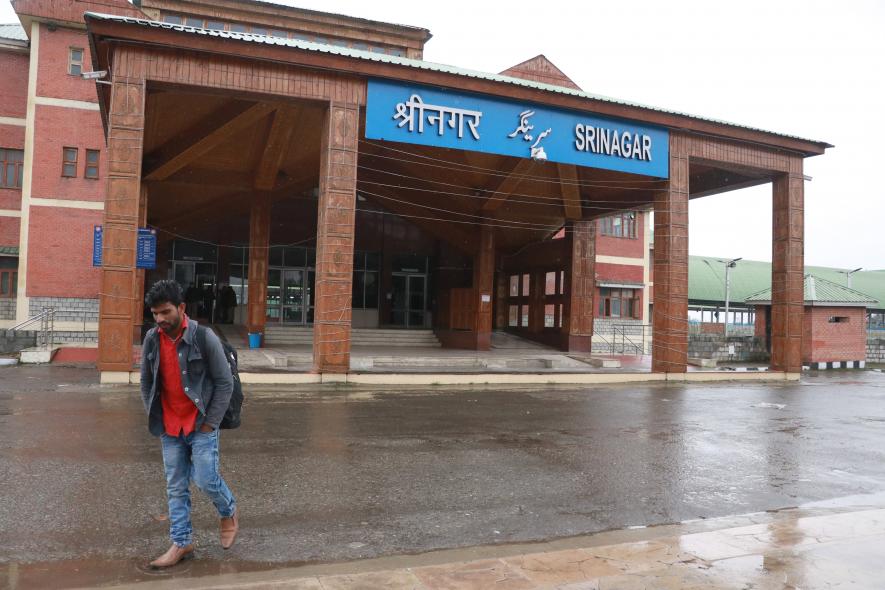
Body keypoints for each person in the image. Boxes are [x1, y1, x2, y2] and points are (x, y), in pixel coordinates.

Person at [140, 279, 239, 568]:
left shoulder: (204, 337)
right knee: (176, 486)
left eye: (165, 312)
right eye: (155, 314)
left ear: (182, 308)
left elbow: (224, 384)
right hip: (169, 426)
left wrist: (210, 425)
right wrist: (153, 412)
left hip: (200, 423)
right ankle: (182, 542)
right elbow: (146, 381)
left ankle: (228, 509)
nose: (159, 319)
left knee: (206, 479)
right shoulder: (151, 339)